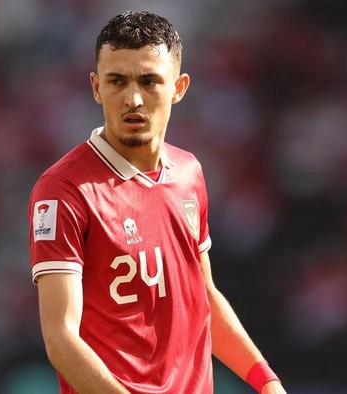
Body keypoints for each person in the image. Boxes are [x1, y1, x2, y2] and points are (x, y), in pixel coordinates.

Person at [28, 11, 286, 394]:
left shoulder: (188, 172)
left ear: (179, 87)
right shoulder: (63, 189)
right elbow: (61, 339)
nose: (132, 99)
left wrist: (266, 382)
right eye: (117, 81)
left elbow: (204, 297)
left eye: (149, 81)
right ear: (96, 87)